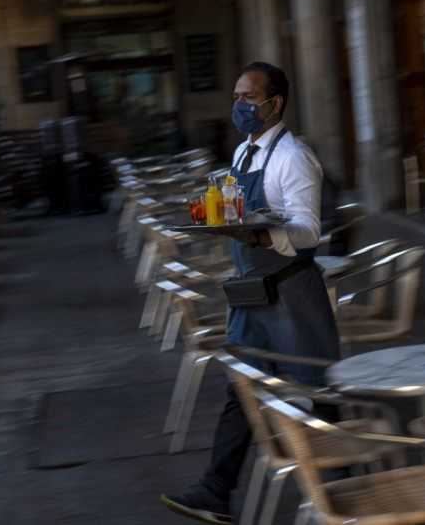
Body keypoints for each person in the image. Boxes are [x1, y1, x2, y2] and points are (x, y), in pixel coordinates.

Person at [161, 62, 340, 524]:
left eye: (248, 98)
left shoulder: (294, 157)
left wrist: (260, 238)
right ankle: (215, 491)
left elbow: (310, 232)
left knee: (318, 391)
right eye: (236, 97)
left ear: (274, 103)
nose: (239, 106)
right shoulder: (243, 153)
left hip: (290, 294)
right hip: (250, 293)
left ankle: (346, 495)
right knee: (240, 388)